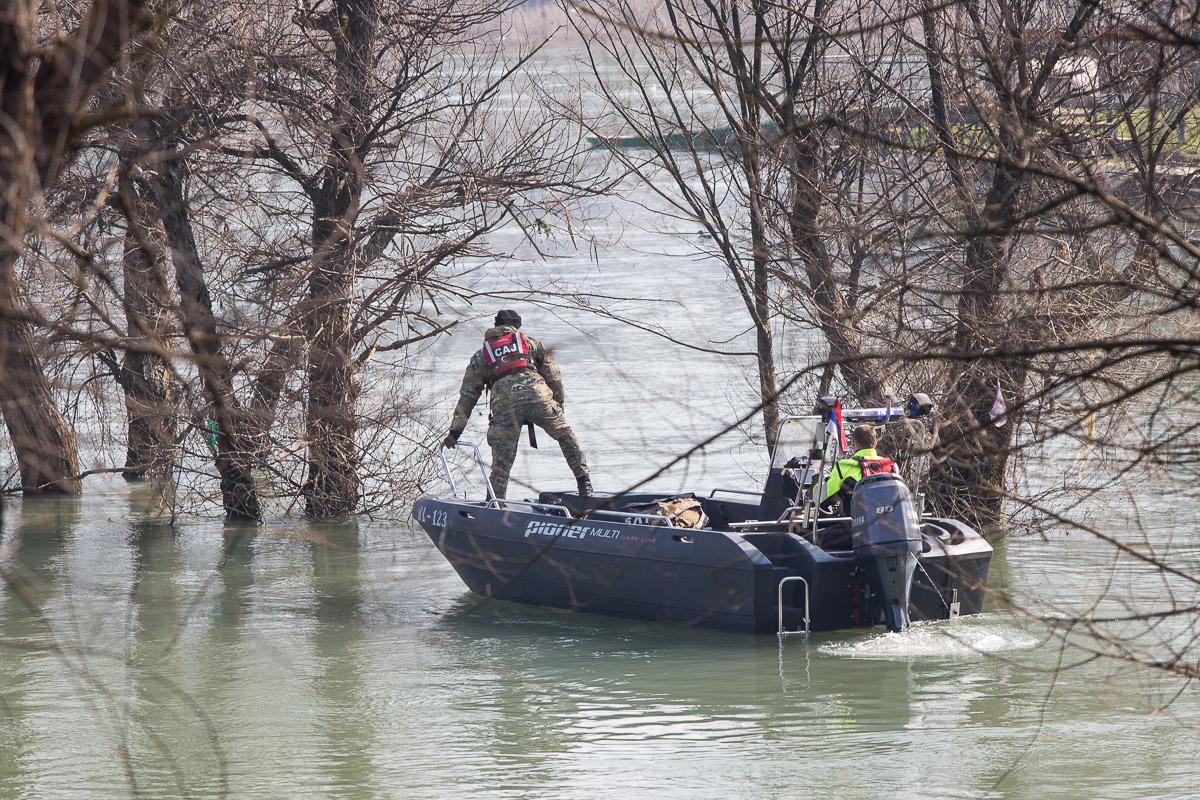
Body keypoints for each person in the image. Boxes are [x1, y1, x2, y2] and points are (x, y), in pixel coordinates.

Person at [443, 309, 592, 499]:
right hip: (538, 397)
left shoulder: (481, 355)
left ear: (495, 327)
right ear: (517, 327)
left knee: (502, 462)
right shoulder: (531, 344)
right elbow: (554, 379)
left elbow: (468, 396)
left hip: (505, 405)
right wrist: (558, 408)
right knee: (565, 436)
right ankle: (585, 485)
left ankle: (495, 503)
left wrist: (455, 432)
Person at [822, 424, 897, 512]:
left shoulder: (844, 465)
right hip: (890, 520)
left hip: (853, 523)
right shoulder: (891, 465)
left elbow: (822, 497)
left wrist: (817, 483)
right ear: (875, 443)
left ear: (853, 443)